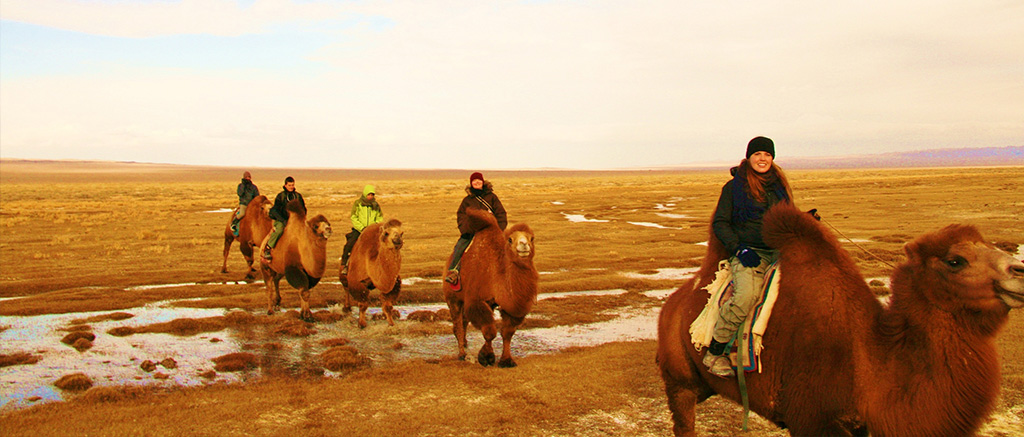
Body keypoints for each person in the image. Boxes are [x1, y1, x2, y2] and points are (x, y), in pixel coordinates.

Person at [703, 136, 794, 378]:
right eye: (758, 154)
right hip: (749, 252)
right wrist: (739, 249)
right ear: (749, 157)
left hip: (778, 250)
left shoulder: (779, 186)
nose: (762, 159)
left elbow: (785, 216)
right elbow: (721, 223)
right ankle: (716, 351)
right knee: (746, 297)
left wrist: (803, 219)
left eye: (767, 154)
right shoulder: (733, 188)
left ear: (772, 158)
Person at [444, 172, 507, 288]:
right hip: (472, 231)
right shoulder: (467, 201)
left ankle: (509, 274)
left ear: (483, 182)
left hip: (491, 231)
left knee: (507, 249)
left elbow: (501, 213)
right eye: (474, 181)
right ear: (471, 183)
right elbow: (461, 216)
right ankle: (453, 272)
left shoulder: (492, 197)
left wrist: (499, 229)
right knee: (460, 247)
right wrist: (466, 229)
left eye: (479, 180)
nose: (477, 182)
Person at [340, 184, 384, 276]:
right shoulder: (358, 204)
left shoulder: (376, 205)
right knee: (350, 244)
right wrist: (362, 228)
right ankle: (345, 265)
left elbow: (379, 217)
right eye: (369, 195)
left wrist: (374, 227)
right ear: (365, 194)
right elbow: (354, 217)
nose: (370, 197)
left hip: (372, 231)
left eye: (372, 195)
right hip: (359, 230)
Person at [263, 176, 305, 261]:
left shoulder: (298, 196)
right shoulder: (280, 196)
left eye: (292, 185)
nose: (291, 187)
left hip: (295, 220)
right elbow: (275, 210)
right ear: (285, 185)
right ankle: (268, 248)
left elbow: (303, 208)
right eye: (289, 185)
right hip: (281, 220)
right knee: (279, 230)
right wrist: (283, 220)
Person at [230, 171, 259, 236]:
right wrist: (244, 185)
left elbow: (257, 195)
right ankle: (234, 223)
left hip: (252, 204)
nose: (248, 178)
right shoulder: (241, 186)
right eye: (246, 177)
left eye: (249, 177)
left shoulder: (253, 187)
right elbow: (240, 193)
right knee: (242, 213)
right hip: (244, 203)